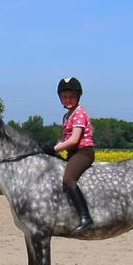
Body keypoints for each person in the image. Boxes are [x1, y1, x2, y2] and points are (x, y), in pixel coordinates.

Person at [53, 76, 95, 233]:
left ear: (78, 96)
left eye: (71, 96)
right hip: (72, 153)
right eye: (64, 97)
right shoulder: (67, 116)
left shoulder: (79, 113)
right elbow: (64, 139)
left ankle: (85, 217)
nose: (68, 100)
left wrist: (54, 148)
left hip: (83, 152)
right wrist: (51, 147)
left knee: (68, 179)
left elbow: (74, 139)